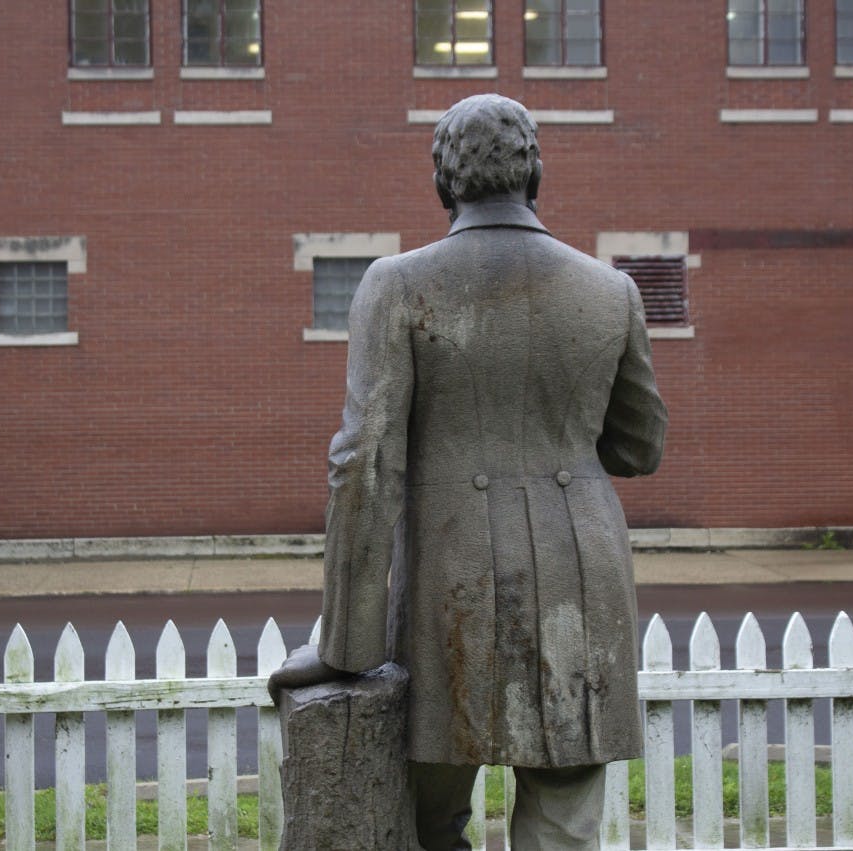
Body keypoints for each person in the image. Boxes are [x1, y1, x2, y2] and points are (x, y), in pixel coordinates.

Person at [269, 93, 667, 850]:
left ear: (443, 180)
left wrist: (346, 644)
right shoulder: (611, 291)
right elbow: (640, 447)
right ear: (535, 171)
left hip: (449, 588)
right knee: (565, 824)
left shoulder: (398, 283)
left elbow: (362, 464)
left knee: (425, 812)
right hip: (581, 580)